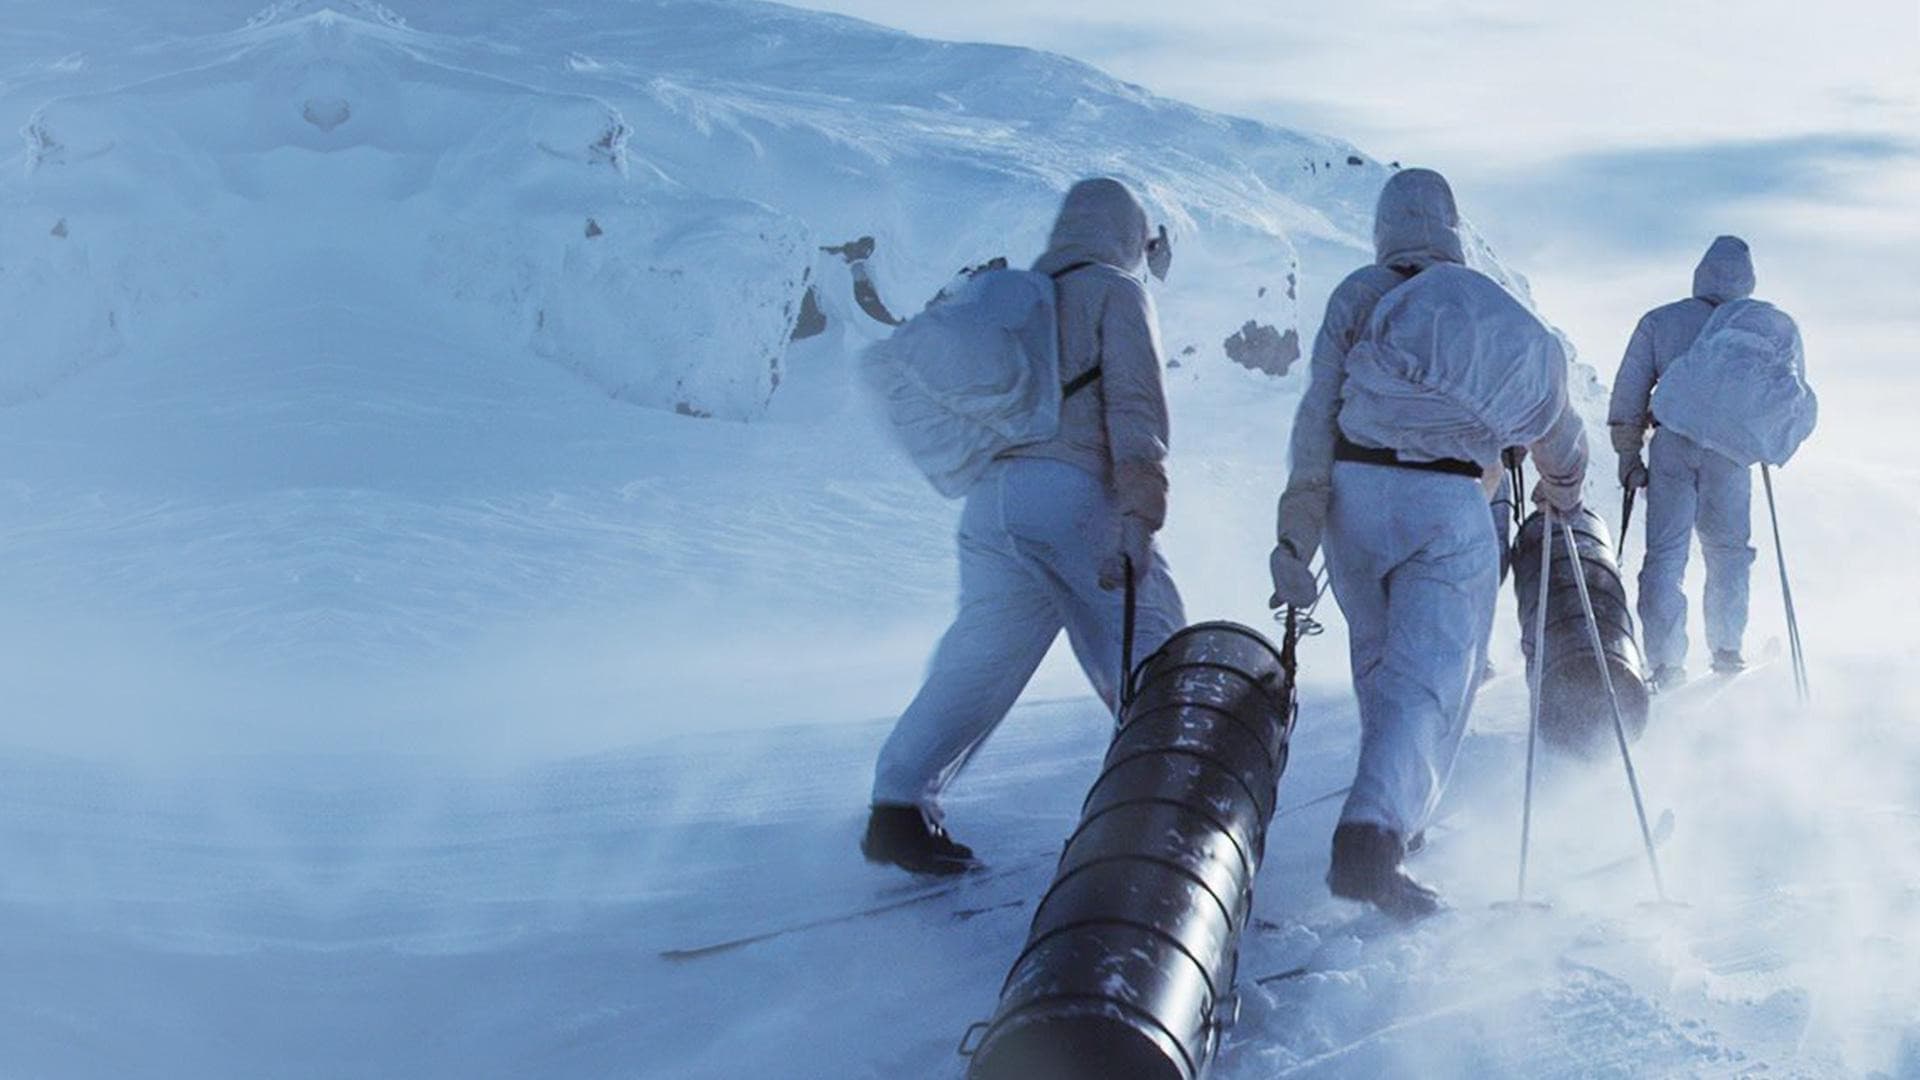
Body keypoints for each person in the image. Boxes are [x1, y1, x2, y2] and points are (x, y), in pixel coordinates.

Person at [1268, 168, 1588, 918]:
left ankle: (1393, 821)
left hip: (1352, 497)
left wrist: (1295, 535)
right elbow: (1553, 420)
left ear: (1384, 227)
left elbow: (1316, 417)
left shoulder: (1357, 294)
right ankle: (1375, 834)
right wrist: (1565, 492)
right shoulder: (1484, 307)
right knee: (1434, 677)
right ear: (1452, 227)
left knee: (1380, 664)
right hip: (1447, 498)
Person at [864, 177, 1186, 875]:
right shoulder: (1114, 290)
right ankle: (1169, 811)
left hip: (993, 500)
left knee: (978, 661)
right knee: (1152, 646)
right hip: (1074, 494)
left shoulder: (1016, 300)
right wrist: (1141, 511)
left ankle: (898, 806)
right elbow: (1134, 407)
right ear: (1128, 233)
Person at [1608, 236, 1758, 691]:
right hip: (1730, 449)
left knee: (1666, 555)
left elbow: (1630, 390)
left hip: (1672, 442)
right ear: (1748, 279)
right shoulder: (1754, 327)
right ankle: (1727, 648)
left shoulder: (1661, 321)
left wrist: (1628, 454)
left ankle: (1666, 662)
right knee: (1728, 552)